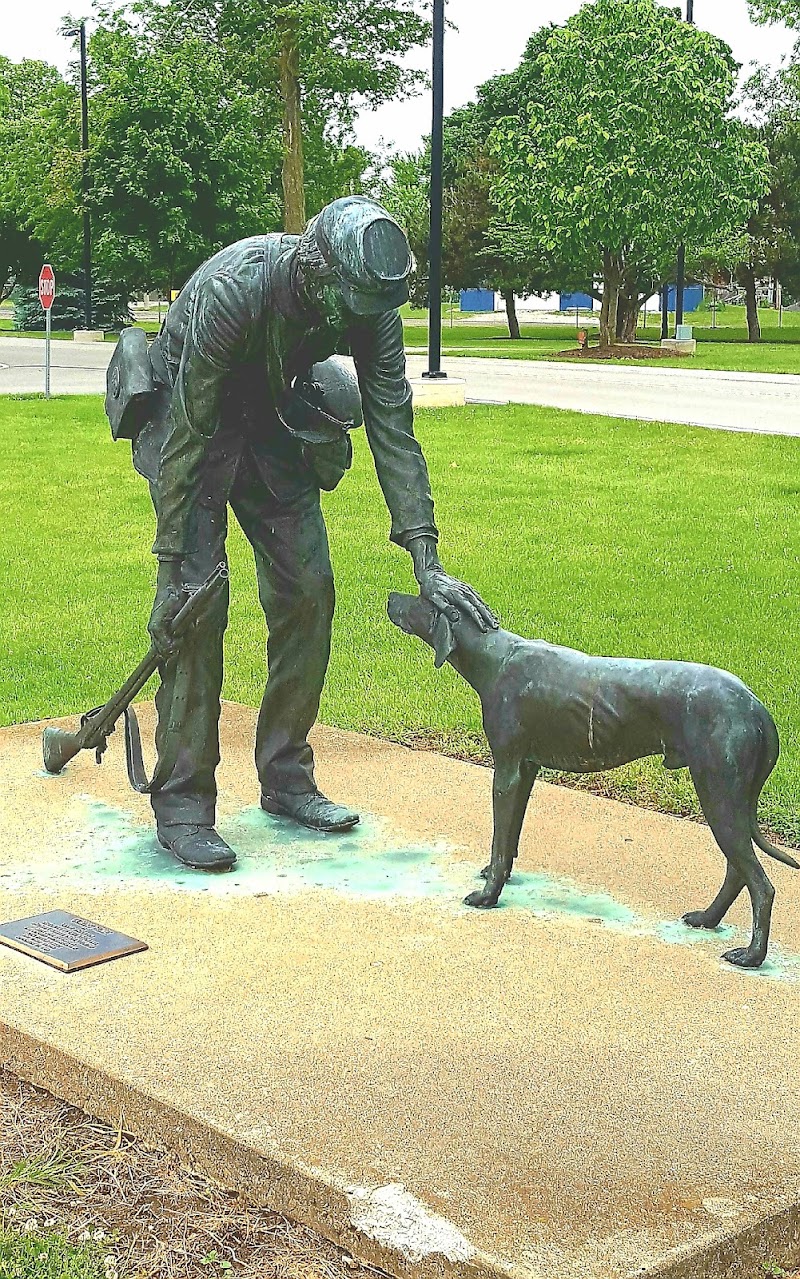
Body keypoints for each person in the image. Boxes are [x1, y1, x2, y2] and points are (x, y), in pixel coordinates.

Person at [111, 196, 496, 872]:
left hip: (271, 422)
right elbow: (193, 429)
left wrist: (425, 558)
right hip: (188, 419)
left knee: (310, 590)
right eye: (352, 306)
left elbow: (393, 430)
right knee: (199, 608)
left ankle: (286, 774)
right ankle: (181, 803)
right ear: (319, 277)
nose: (364, 321)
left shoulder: (367, 304)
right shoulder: (237, 288)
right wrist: (171, 567)